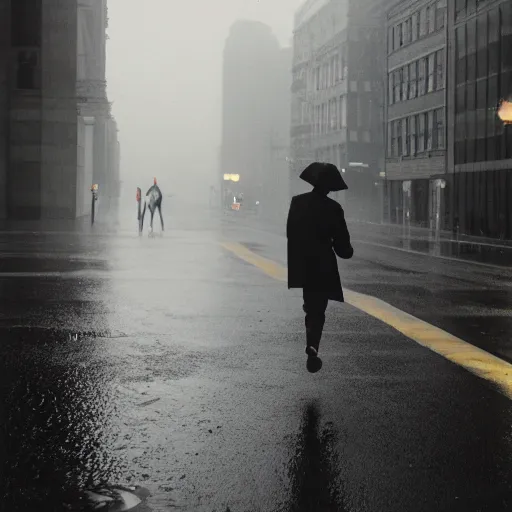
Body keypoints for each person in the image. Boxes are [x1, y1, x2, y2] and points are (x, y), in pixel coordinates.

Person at [286, 162, 354, 373]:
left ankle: (312, 342)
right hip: (324, 265)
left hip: (303, 263)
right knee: (319, 308)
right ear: (331, 187)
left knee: (310, 305)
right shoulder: (334, 209)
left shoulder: (297, 202)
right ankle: (313, 344)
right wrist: (342, 248)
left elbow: (290, 233)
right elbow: (344, 248)